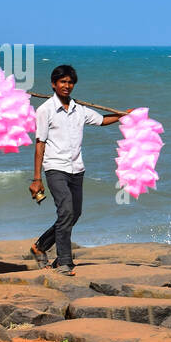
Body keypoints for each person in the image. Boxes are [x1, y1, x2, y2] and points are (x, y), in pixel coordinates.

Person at [27, 65, 124, 276]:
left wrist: (123, 116)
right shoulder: (45, 110)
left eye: (70, 82)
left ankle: (40, 246)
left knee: (74, 213)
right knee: (66, 212)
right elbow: (40, 143)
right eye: (62, 82)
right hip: (55, 168)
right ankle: (64, 263)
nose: (67, 85)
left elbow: (101, 120)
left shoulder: (79, 109)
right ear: (54, 84)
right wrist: (37, 178)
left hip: (77, 169)